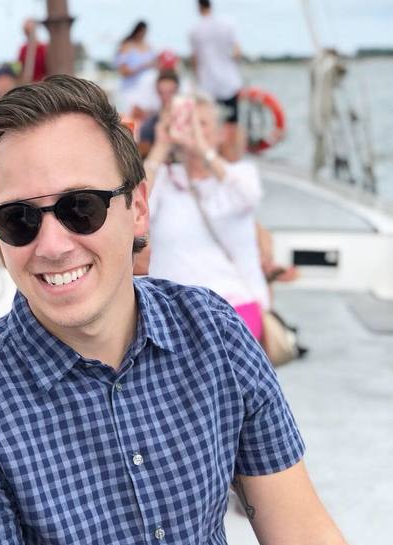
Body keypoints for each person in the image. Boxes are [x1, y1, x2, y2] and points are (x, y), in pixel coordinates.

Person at [0, 75, 363, 545]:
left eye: (81, 207)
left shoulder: (214, 333)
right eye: (19, 219)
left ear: (139, 209)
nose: (53, 246)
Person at [143, 92, 268, 339]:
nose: (194, 130)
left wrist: (203, 150)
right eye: (187, 122)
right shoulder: (163, 179)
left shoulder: (239, 174)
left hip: (231, 306)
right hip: (172, 312)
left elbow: (248, 196)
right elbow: (132, 209)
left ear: (221, 133)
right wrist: (160, 147)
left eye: (202, 124)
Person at [190, 0, 245, 161]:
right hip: (229, 82)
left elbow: (195, 59)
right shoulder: (227, 24)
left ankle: (215, 156)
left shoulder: (195, 30)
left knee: (211, 122)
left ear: (199, 7)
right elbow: (237, 52)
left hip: (207, 85)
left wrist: (197, 79)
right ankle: (233, 158)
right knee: (232, 122)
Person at [115, 21, 159, 119]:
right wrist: (142, 66)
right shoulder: (126, 46)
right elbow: (123, 71)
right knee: (130, 118)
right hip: (131, 89)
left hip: (147, 90)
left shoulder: (149, 46)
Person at [138, 69, 180, 159]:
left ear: (177, 91)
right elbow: (143, 154)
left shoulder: (189, 121)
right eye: (162, 93)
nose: (166, 97)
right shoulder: (149, 124)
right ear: (157, 92)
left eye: (171, 92)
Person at [18, 18, 48, 83]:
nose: (28, 33)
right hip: (29, 83)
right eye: (27, 31)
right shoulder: (23, 50)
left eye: (31, 31)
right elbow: (20, 69)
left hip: (42, 83)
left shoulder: (44, 48)